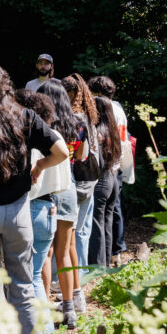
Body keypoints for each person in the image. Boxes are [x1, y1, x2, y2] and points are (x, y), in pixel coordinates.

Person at [0, 61, 69, 334]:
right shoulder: (25, 116)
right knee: (23, 287)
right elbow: (61, 151)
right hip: (19, 212)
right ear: (5, 85)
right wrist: (39, 166)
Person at [14, 88, 70, 334]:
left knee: (29, 278)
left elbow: (31, 178)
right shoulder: (56, 136)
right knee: (36, 274)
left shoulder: (36, 138)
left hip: (33, 205)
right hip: (51, 207)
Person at [37, 81, 83, 328]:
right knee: (64, 252)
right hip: (69, 186)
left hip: (47, 188)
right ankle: (70, 308)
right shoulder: (77, 125)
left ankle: (44, 308)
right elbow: (79, 157)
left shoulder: (43, 127)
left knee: (46, 253)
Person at [61, 73, 101, 313]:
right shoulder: (88, 116)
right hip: (91, 178)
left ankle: (73, 281)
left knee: (71, 236)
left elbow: (75, 155)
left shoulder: (72, 120)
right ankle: (81, 281)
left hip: (76, 181)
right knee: (82, 231)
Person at [87, 76, 132, 258]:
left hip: (103, 166)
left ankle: (100, 262)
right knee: (112, 212)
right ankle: (115, 252)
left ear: (98, 93)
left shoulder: (101, 108)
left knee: (100, 217)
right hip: (116, 163)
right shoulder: (119, 109)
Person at [89, 95, 123, 268]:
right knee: (106, 221)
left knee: (96, 223)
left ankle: (97, 265)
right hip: (113, 177)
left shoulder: (97, 133)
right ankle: (107, 260)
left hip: (101, 179)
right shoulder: (113, 131)